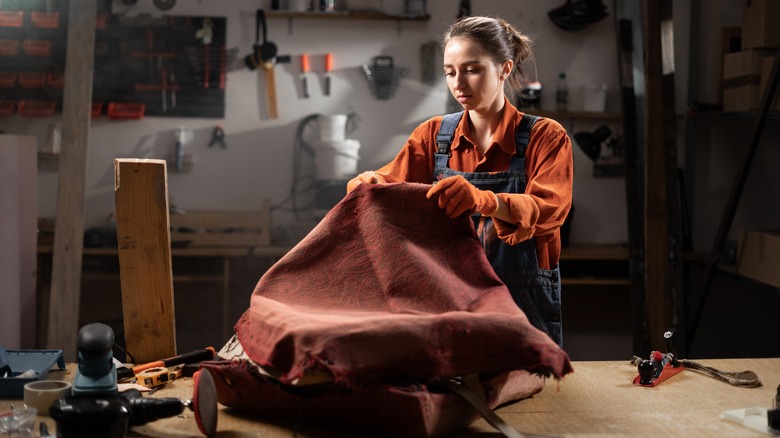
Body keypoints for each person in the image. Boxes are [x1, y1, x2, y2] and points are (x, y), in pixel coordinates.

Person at [346, 16, 573, 347]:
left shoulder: (546, 137)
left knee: (529, 397)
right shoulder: (434, 135)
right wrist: (369, 183)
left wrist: (485, 201)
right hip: (448, 304)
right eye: (450, 72)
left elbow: (550, 209)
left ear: (504, 68)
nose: (458, 83)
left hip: (522, 310)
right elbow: (388, 184)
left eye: (472, 69)